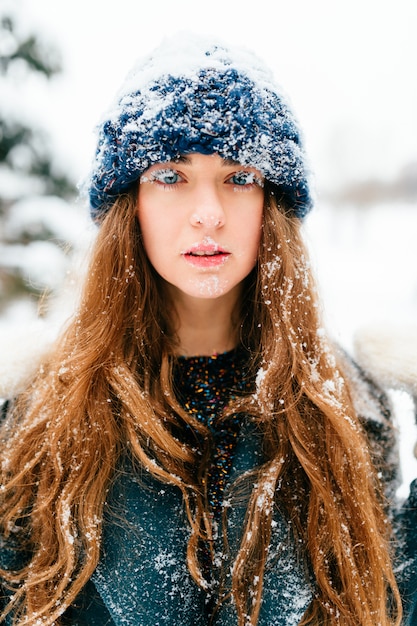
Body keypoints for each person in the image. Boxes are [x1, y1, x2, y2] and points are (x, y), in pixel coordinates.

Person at [0, 33, 407, 625]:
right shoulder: (40, 419)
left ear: (273, 203)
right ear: (128, 204)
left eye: (239, 177)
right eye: (172, 175)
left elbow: (387, 604)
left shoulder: (349, 411)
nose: (209, 212)